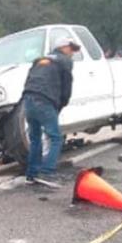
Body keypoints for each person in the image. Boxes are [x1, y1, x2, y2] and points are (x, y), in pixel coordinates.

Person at [22, 37, 80, 186]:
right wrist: (60, 105)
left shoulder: (39, 60)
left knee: (35, 138)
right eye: (71, 48)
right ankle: (47, 173)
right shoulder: (65, 61)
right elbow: (66, 88)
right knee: (55, 138)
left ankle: (32, 174)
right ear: (64, 47)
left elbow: (29, 80)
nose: (72, 53)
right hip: (44, 100)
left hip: (28, 99)